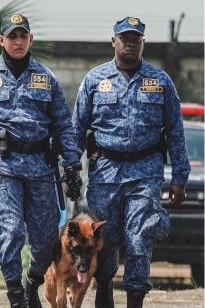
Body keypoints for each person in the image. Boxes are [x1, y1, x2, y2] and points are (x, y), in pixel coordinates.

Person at [0, 13, 82, 308]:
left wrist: (72, 165)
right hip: (3, 166)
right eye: (12, 36)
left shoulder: (46, 79)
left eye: (23, 36)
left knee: (46, 241)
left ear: (30, 39)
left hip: (41, 168)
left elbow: (63, 125)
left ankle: (31, 282)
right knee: (10, 232)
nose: (18, 41)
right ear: (2, 40)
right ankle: (16, 297)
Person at [72, 17, 190, 308]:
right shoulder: (94, 80)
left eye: (136, 39)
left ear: (143, 43)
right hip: (105, 173)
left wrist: (179, 177)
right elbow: (76, 129)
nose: (130, 43)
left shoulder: (160, 81)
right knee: (105, 239)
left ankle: (135, 297)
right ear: (114, 42)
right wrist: (71, 168)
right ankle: (104, 291)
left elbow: (175, 131)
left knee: (139, 236)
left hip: (145, 172)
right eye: (124, 38)